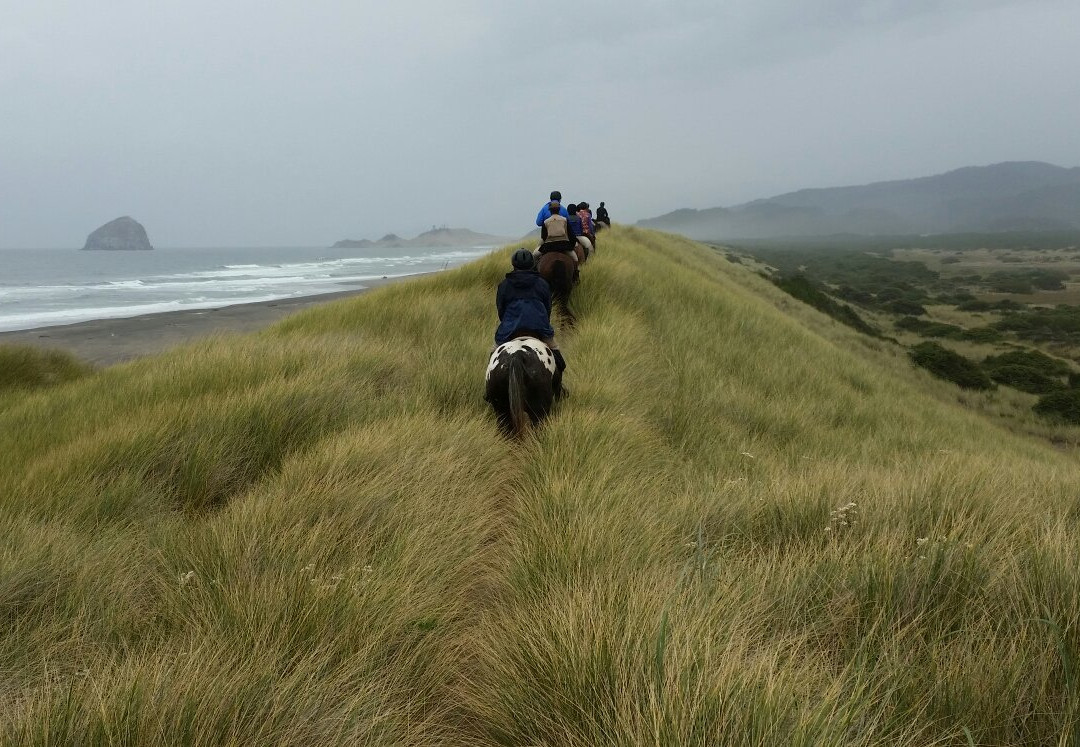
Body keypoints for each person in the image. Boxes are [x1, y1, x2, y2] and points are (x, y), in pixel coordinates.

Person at [494, 248, 566, 395]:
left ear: (514, 264)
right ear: (532, 264)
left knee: (494, 354)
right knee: (558, 357)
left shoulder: (504, 285)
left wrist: (508, 322)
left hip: (510, 328)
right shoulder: (542, 283)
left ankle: (491, 392)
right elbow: (548, 308)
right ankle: (558, 390)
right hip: (539, 327)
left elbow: (500, 309)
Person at [534, 200, 580, 279]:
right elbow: (571, 235)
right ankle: (575, 277)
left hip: (549, 246)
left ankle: (535, 275)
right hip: (564, 246)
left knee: (534, 255)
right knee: (575, 259)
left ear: (550, 210)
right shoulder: (565, 220)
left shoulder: (546, 222)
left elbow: (544, 237)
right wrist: (571, 246)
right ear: (559, 209)